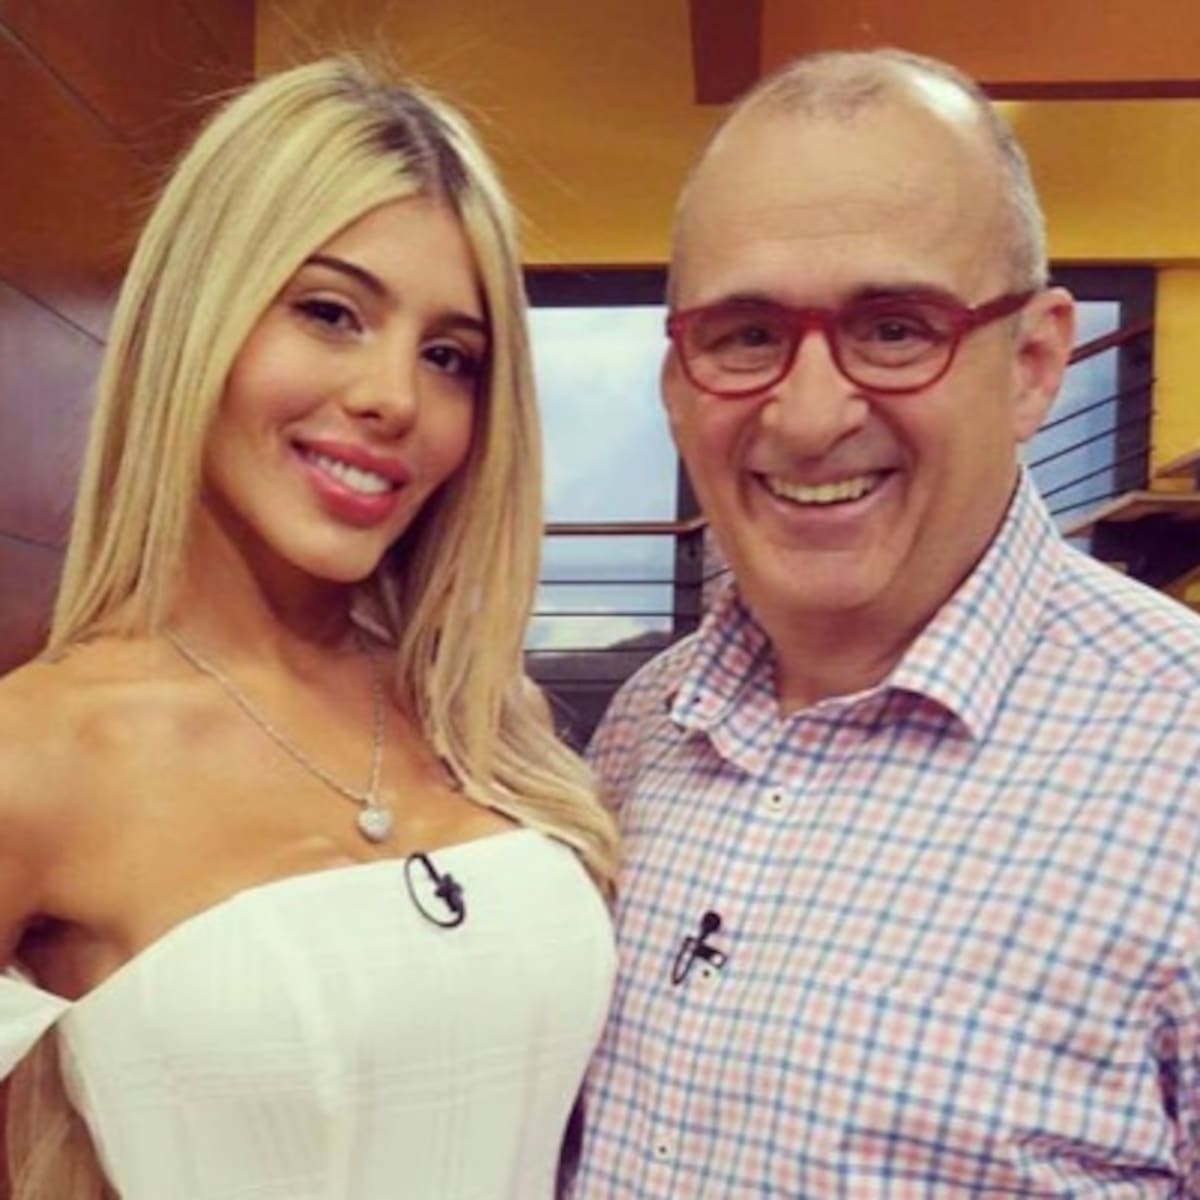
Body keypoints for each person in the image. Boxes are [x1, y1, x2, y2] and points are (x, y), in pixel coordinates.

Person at [573, 47, 1200, 1198]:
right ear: (676, 383)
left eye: (897, 328)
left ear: (1035, 362)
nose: (810, 416)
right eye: (746, 335)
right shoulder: (641, 730)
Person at [0, 57, 617, 1200]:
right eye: (331, 313)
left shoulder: (484, 718)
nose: (395, 397)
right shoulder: (35, 756)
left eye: (449, 357)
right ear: (198, 317)